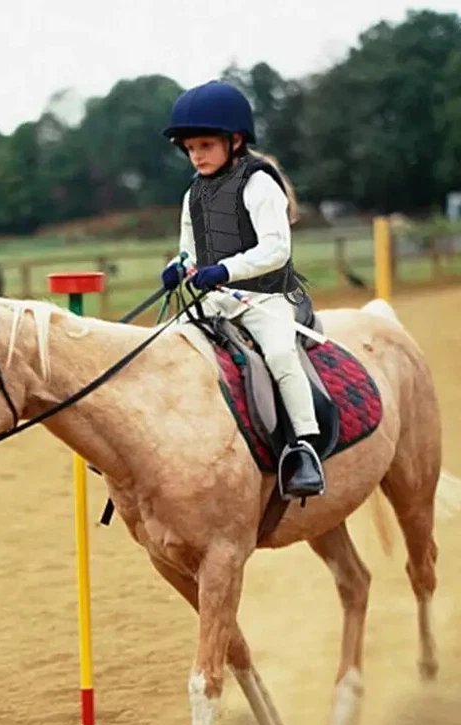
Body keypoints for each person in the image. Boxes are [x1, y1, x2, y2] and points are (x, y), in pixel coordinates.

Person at [159, 79, 325, 499]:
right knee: (161, 346)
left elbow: (275, 248)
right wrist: (177, 268)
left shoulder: (259, 184)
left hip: (265, 299)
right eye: (190, 148)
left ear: (234, 141)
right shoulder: (192, 193)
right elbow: (188, 250)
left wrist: (225, 270)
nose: (196, 155)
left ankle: (303, 448)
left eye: (204, 146)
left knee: (281, 354)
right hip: (215, 302)